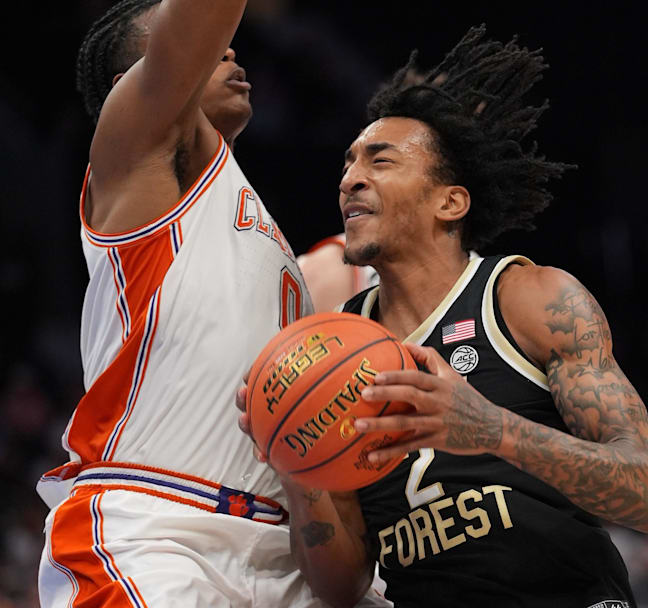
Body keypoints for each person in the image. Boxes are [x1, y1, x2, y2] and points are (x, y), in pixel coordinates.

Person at [237, 26, 648, 607]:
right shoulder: (331, 346)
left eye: (380, 161)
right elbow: (342, 587)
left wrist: (492, 429)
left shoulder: (528, 298)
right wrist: (299, 472)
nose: (350, 179)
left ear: (450, 202)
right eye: (348, 164)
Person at [38, 2, 387, 605]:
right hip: (158, 529)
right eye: (207, 48)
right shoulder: (136, 159)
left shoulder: (253, 222)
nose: (229, 49)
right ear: (130, 85)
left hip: (287, 549)